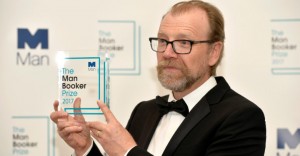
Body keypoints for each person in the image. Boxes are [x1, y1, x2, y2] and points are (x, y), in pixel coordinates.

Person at [50, 0, 266, 155]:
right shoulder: (145, 111)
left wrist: (128, 151)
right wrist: (85, 148)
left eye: (184, 43)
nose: (167, 53)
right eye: (163, 41)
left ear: (213, 52)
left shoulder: (241, 117)